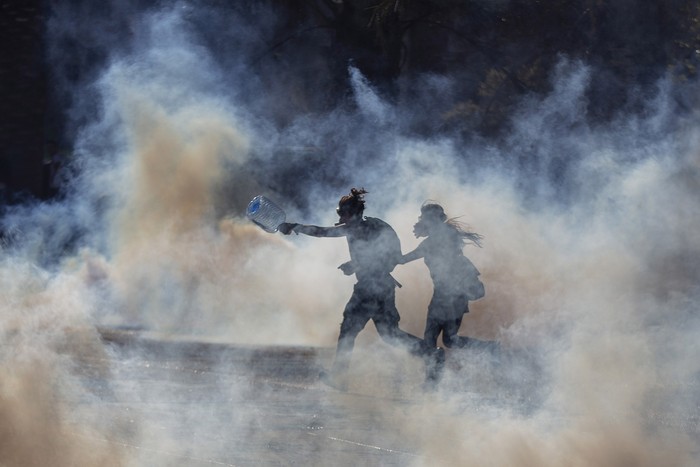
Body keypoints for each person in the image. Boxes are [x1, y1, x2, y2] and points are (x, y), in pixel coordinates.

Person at [279, 188, 444, 390]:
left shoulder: (356, 229)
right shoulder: (374, 227)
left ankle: (339, 377)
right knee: (390, 334)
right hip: (383, 287)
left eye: (342, 213)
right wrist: (356, 264)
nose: (340, 217)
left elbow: (322, 232)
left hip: (369, 288)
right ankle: (432, 355)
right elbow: (387, 258)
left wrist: (294, 226)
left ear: (352, 214)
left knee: (348, 330)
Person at [399, 202, 495, 352]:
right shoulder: (443, 236)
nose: (423, 221)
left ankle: (435, 368)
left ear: (434, 220)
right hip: (454, 295)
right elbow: (405, 259)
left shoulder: (434, 241)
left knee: (432, 340)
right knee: (449, 339)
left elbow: (404, 259)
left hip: (447, 296)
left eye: (426, 219)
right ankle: (489, 348)